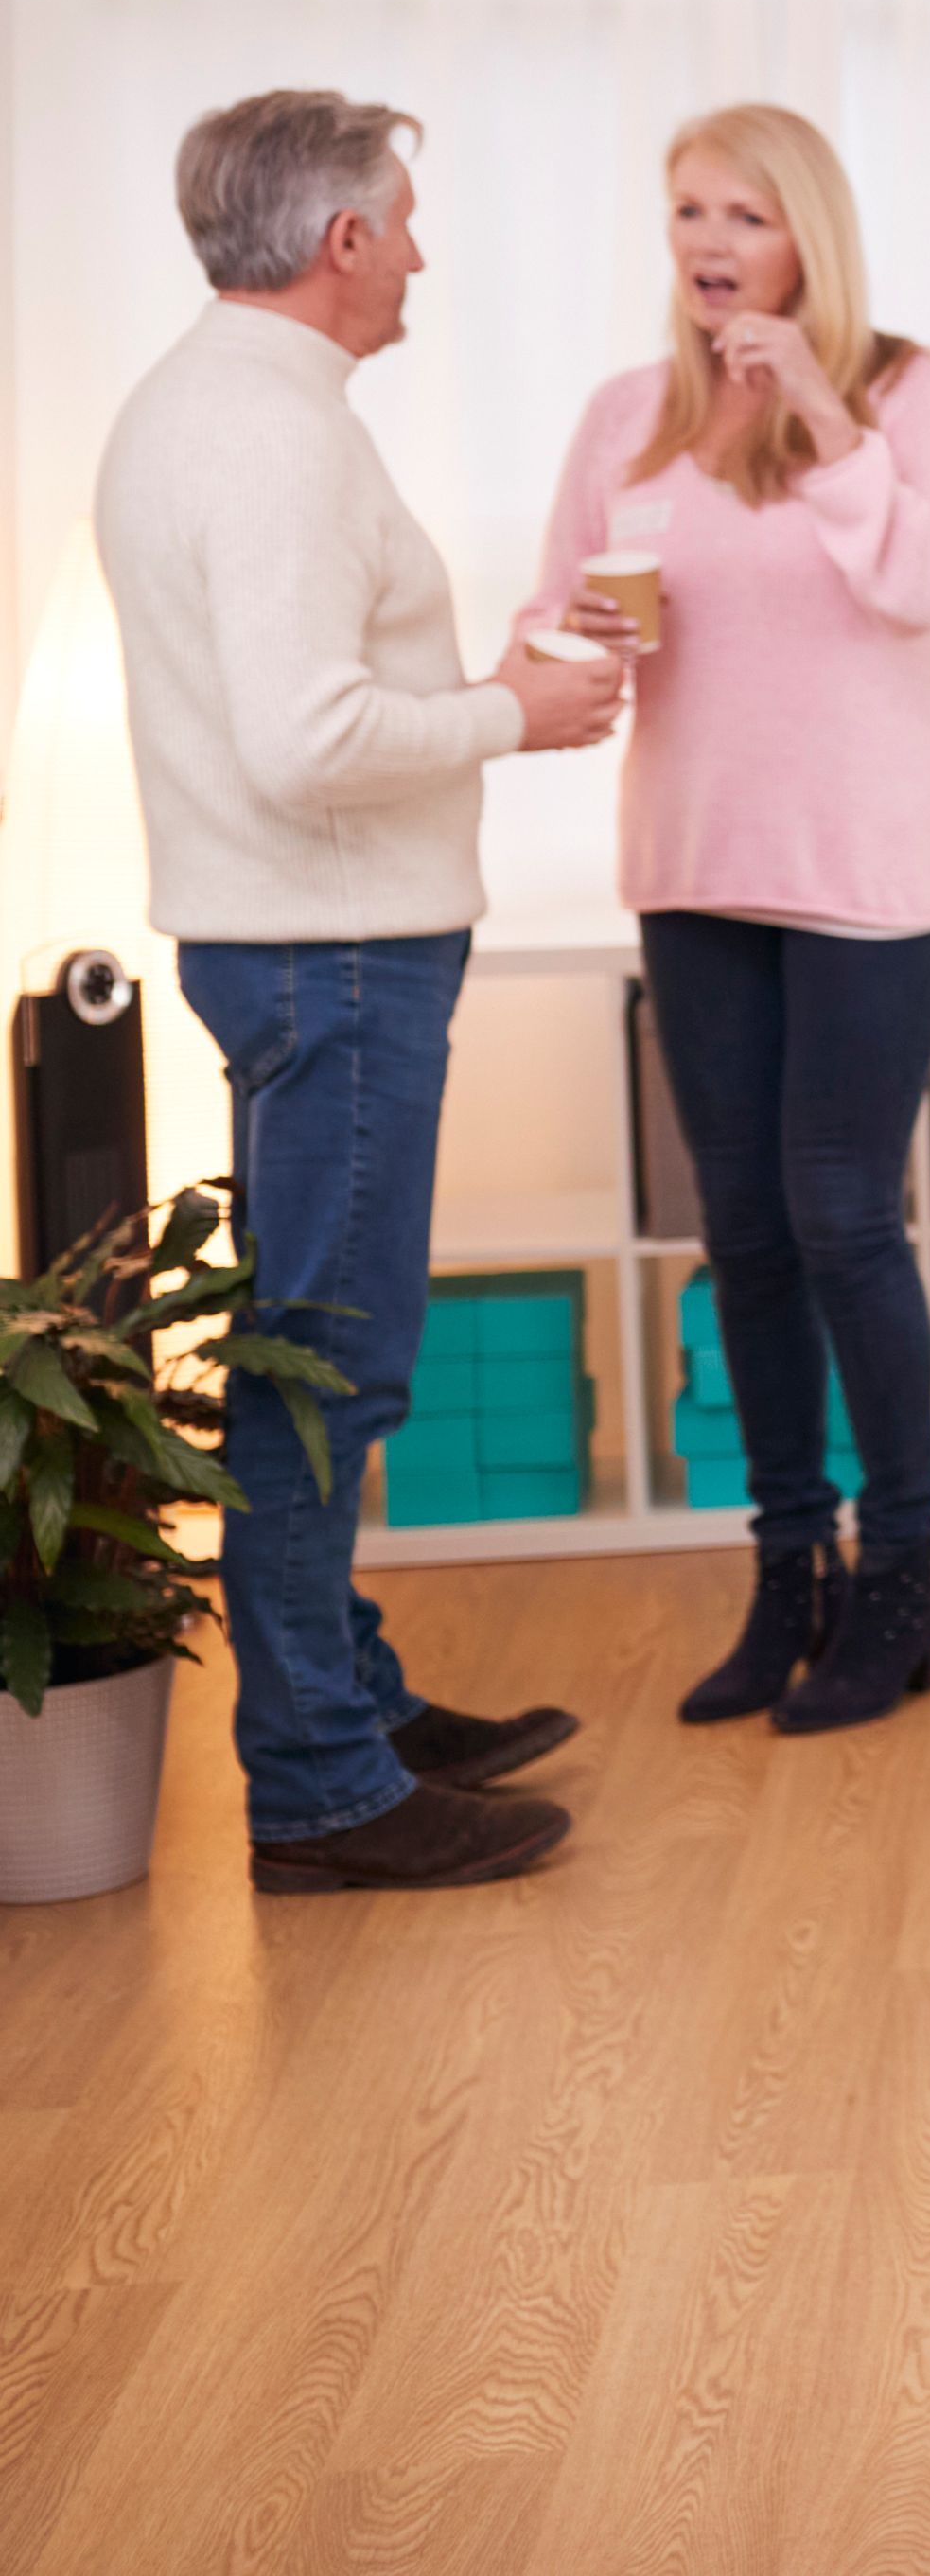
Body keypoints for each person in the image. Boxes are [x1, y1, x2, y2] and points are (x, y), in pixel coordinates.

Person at [91, 91, 617, 1892]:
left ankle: (350, 1702)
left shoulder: (226, 405)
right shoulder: (272, 436)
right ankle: (321, 1784)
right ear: (340, 244)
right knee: (325, 1371)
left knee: (310, 1346)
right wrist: (512, 715)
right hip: (338, 950)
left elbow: (300, 699)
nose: (418, 251)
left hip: (302, 939)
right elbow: (307, 739)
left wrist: (466, 689)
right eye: (402, 219)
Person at [522, 105, 930, 1734]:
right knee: (747, 1235)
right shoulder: (628, 416)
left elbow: (928, 583)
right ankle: (787, 1570)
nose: (710, 243)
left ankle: (905, 1572)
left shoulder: (907, 391)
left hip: (870, 878)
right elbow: (566, 616)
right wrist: (568, 630)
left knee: (844, 1214)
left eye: (745, 215)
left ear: (808, 238)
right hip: (696, 866)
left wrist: (816, 413)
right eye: (687, 212)